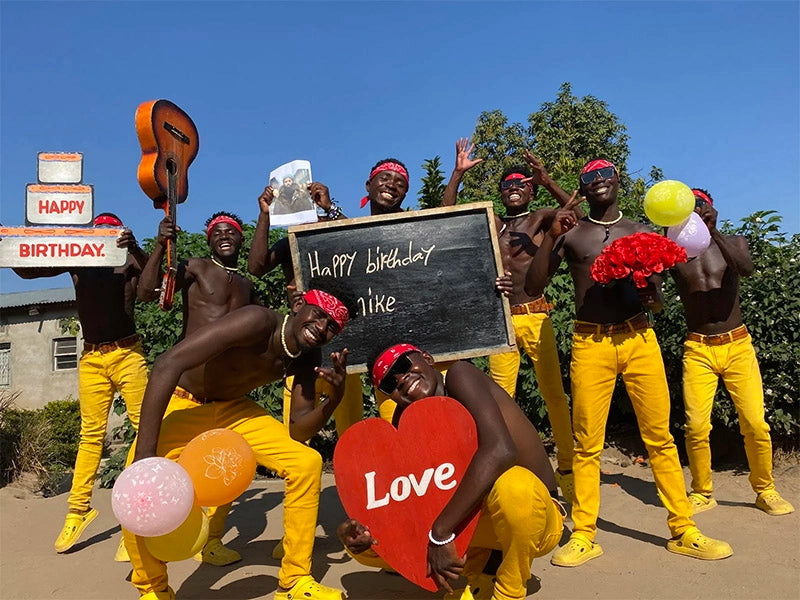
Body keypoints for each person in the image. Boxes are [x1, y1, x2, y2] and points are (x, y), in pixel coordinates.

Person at [525, 160, 733, 566]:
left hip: (639, 337)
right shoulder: (574, 233)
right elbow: (533, 286)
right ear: (581, 186)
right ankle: (585, 534)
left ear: (619, 181)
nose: (598, 180)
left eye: (605, 174)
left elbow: (656, 301)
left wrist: (648, 286)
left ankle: (683, 528)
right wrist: (551, 237)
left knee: (660, 438)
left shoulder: (641, 229)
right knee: (587, 445)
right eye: (588, 176)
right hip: (590, 343)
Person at [123, 287, 355, 600]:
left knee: (306, 462)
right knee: (138, 484)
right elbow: (167, 363)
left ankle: (294, 581)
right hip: (184, 402)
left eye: (332, 327)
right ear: (299, 304)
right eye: (319, 315)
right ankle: (153, 589)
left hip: (232, 408)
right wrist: (145, 455)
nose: (322, 328)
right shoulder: (256, 321)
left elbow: (299, 430)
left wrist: (333, 400)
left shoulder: (307, 355)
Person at [337, 343, 564, 600]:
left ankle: (509, 590)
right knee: (379, 537)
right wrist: (368, 540)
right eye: (389, 383)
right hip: (483, 526)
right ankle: (483, 575)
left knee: (514, 485)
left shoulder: (459, 375)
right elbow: (414, 502)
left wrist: (440, 532)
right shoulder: (406, 420)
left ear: (427, 358)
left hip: (539, 517)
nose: (401, 379)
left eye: (402, 366)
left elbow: (501, 451)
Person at [249, 158, 440, 430]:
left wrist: (330, 208)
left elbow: (368, 245)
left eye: (305, 199)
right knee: (305, 426)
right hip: (312, 348)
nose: (302, 208)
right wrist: (265, 215)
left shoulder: (337, 231)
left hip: (355, 342)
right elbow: (256, 267)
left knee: (363, 426)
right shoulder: (294, 239)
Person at [441, 138, 578, 503]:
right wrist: (457, 173)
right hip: (501, 321)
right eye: (508, 185)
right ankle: (510, 472)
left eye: (521, 184)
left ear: (530, 190)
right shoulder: (493, 223)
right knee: (502, 399)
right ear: (500, 192)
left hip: (535, 315)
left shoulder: (541, 218)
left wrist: (547, 179)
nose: (514, 188)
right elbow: (446, 215)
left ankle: (568, 470)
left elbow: (575, 214)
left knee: (554, 395)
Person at [12, 213, 149, 554]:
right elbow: (31, 269)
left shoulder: (127, 257)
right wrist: (10, 250)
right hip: (91, 357)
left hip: (127, 352)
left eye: (111, 230)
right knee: (90, 436)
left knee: (145, 429)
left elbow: (153, 285)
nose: (104, 236)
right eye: (97, 231)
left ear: (120, 233)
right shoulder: (80, 259)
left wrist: (136, 247)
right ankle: (78, 510)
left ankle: (134, 517)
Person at [137, 211, 259, 565]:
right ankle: (146, 549)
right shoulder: (195, 267)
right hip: (184, 393)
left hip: (226, 397)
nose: (225, 236)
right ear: (209, 239)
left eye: (232, 232)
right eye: (217, 231)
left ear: (240, 239)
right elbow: (146, 293)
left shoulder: (248, 286)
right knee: (153, 471)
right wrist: (161, 246)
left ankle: (212, 540)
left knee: (226, 471)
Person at [671, 188, 794, 516]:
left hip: (737, 344)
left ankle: (765, 489)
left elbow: (746, 267)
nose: (697, 211)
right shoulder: (676, 250)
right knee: (696, 426)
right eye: (690, 207)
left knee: (755, 423)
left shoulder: (734, 242)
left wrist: (715, 233)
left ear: (712, 209)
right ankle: (701, 491)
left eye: (702, 205)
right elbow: (652, 284)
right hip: (697, 347)